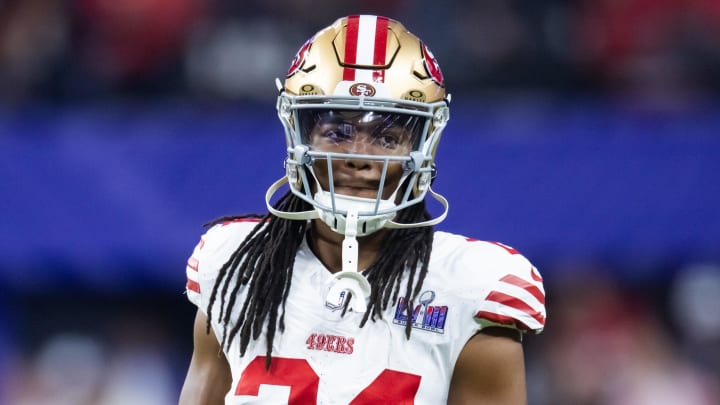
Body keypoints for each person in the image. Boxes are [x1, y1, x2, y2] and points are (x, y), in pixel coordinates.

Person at [179, 14, 546, 404]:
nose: (359, 157)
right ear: (299, 135)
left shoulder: (468, 286)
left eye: (387, 138)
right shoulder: (235, 265)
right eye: (338, 132)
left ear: (424, 146)